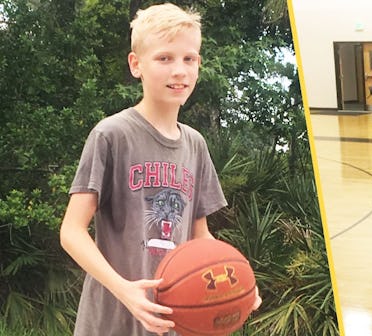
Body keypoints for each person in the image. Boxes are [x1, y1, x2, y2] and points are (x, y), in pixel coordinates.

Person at [59, 4, 260, 335]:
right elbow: (71, 231)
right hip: (112, 321)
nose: (179, 70)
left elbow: (200, 238)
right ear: (136, 64)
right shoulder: (112, 134)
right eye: (165, 58)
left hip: (171, 321)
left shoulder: (195, 145)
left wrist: (235, 282)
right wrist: (124, 289)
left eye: (189, 59)